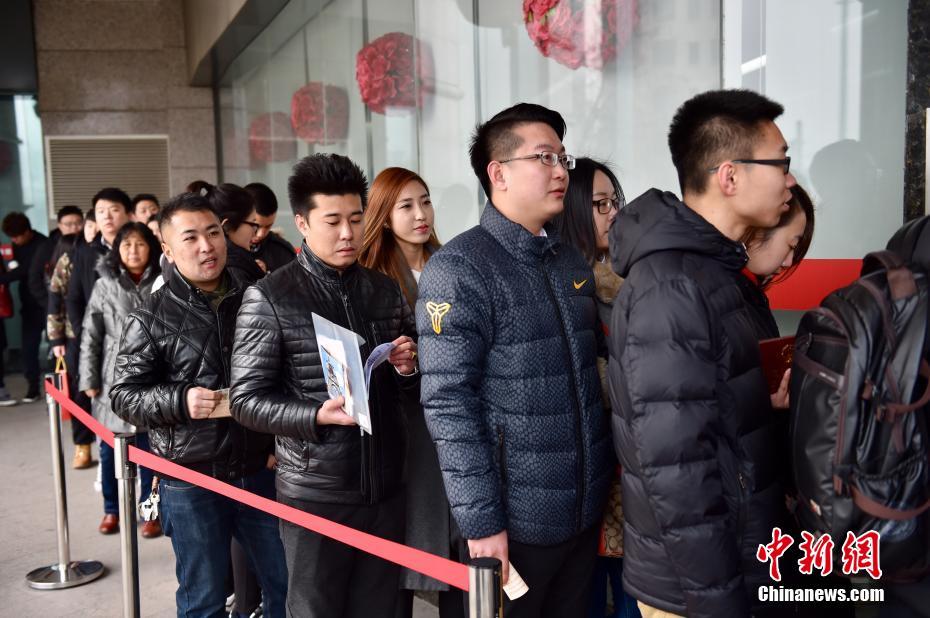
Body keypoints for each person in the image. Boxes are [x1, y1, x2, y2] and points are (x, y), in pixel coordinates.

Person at [417, 103, 613, 618]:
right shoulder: (460, 269)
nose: (559, 171)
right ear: (497, 173)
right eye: (544, 157)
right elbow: (448, 405)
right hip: (513, 523)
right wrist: (482, 524)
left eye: (562, 159)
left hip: (581, 509)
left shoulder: (569, 261)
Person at [606, 89, 796, 618]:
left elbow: (717, 413)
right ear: (729, 176)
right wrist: (718, 603)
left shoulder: (719, 272)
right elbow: (675, 469)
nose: (790, 178)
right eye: (781, 162)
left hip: (742, 559)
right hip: (700, 587)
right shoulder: (670, 286)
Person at [230, 154, 418, 618]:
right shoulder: (270, 296)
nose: (348, 233)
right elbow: (245, 400)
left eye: (356, 219)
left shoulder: (384, 290)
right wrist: (313, 415)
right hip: (316, 496)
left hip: (386, 489)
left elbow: (412, 391)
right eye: (332, 221)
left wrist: (409, 368)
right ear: (302, 223)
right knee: (317, 610)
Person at [110, 192, 287, 617]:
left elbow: (284, 375)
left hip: (257, 467)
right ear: (168, 250)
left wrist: (280, 442)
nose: (206, 246)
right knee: (203, 597)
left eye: (213, 233)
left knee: (284, 583)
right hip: (190, 478)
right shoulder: (148, 317)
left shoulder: (258, 298)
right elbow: (124, 395)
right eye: (190, 238)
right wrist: (180, 399)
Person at [358, 167, 459, 618]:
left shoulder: (452, 261)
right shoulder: (372, 279)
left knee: (458, 541)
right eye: (406, 205)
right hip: (404, 426)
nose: (421, 214)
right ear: (382, 215)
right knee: (408, 540)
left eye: (425, 200)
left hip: (451, 416)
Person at [552, 157, 639, 618]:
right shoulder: (566, 284)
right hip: (583, 474)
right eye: (600, 204)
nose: (613, 213)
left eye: (615, 201)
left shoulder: (636, 281)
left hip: (634, 471)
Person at [79, 222, 162, 537]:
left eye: (140, 244)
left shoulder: (163, 281)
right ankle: (111, 511)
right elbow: (91, 334)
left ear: (150, 248)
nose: (133, 251)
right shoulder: (105, 285)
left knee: (151, 453)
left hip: (152, 379)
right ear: (117, 251)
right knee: (110, 453)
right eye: (127, 245)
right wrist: (88, 377)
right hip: (113, 380)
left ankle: (150, 512)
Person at [48, 210, 98, 468]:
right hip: (73, 336)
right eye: (90, 225)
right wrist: (56, 339)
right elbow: (55, 297)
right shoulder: (70, 257)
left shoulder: (112, 255)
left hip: (106, 337)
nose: (93, 230)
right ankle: (83, 447)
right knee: (80, 394)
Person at [0, 212, 49, 402]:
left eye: (17, 236)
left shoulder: (42, 244)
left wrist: (3, 279)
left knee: (55, 349)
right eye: (12, 237)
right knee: (29, 349)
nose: (15, 240)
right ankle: (33, 389)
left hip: (46, 304)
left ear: (28, 231)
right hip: (27, 305)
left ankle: (59, 389)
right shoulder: (14, 246)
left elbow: (24, 271)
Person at [27, 205, 83, 320]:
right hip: (55, 309)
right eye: (68, 224)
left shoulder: (88, 244)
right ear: (59, 226)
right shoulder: (47, 247)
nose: (74, 228)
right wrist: (50, 304)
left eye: (78, 223)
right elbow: (34, 279)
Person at [205, 182, 267, 283]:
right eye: (252, 223)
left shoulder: (223, 264)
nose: (255, 233)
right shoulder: (234, 271)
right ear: (226, 226)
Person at [244, 182, 296, 272]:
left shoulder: (282, 252)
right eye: (256, 226)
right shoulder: (223, 249)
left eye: (268, 226)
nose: (261, 234)